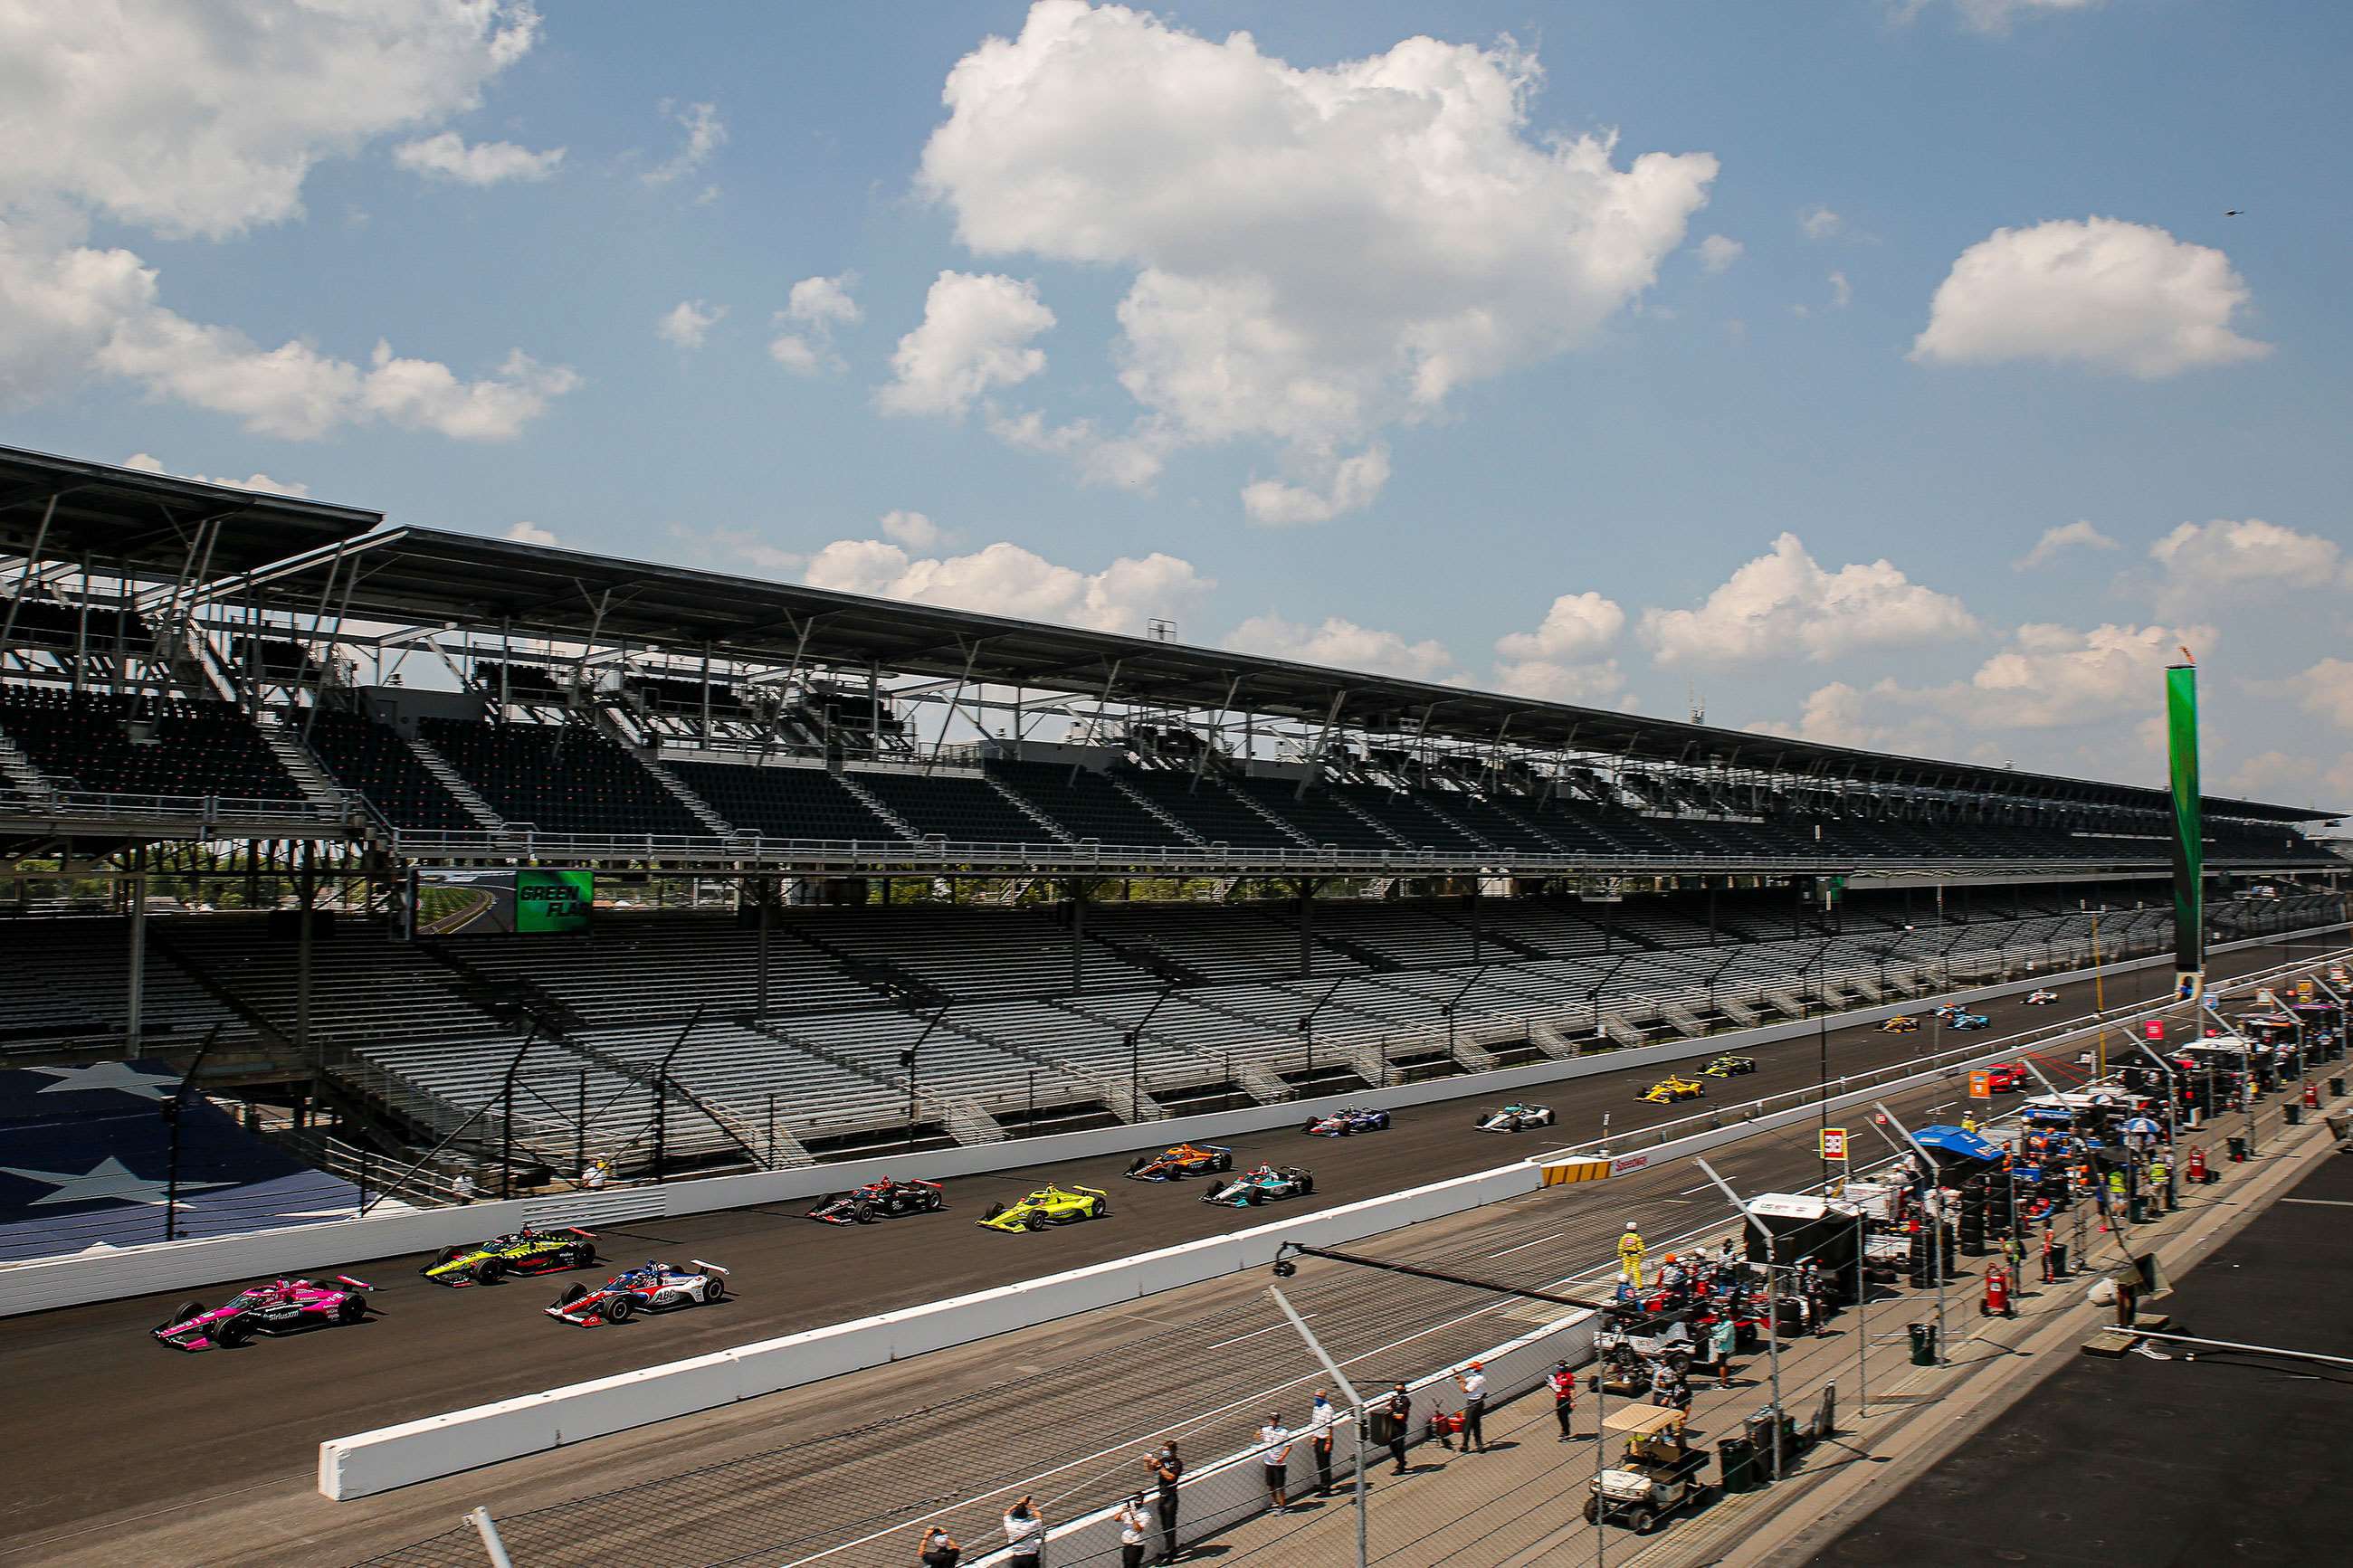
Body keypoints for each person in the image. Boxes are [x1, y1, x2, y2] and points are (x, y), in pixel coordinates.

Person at [1146, 1440, 1182, 1562]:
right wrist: (1148, 1462)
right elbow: (1152, 1469)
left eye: (1166, 1450)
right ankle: (1171, 1549)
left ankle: (1170, 1553)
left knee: (1169, 1525)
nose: (1164, 1452)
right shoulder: (1163, 1461)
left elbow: (1171, 1477)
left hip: (1171, 1497)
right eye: (1164, 1449)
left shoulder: (1177, 1463)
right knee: (1164, 1525)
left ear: (1173, 1451)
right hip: (1162, 1496)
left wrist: (1160, 1467)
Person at [1258, 1411, 1293, 1512]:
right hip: (1268, 1462)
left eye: (1273, 1419)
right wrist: (1257, 1434)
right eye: (1270, 1419)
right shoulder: (1265, 1430)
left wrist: (1282, 1457)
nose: (1271, 1421)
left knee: (1280, 1486)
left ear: (1277, 1420)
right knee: (1270, 1484)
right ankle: (1275, 1502)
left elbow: (1289, 1446)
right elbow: (1257, 1436)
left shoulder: (1283, 1432)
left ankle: (1282, 1506)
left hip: (1279, 1464)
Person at [1305, 1390, 1336, 1496]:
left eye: (1318, 1396)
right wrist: (1314, 1435)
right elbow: (1315, 1423)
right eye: (1315, 1396)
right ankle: (1322, 1482)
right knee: (1319, 1462)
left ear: (1323, 1397)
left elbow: (1330, 1427)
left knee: (1325, 1463)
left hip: (1325, 1438)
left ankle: (1326, 1486)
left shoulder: (1328, 1409)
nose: (1316, 1398)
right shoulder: (1316, 1408)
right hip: (1318, 1437)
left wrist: (1328, 1442)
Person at [1454, 1361, 1489, 1453]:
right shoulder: (1476, 1377)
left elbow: (1465, 1390)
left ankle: (1465, 1444)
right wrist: (1458, 1376)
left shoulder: (1477, 1379)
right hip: (1478, 1403)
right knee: (1476, 1423)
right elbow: (1465, 1380)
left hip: (1473, 1404)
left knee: (1468, 1425)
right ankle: (1479, 1445)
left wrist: (1459, 1382)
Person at [1002, 1497, 1045, 1568]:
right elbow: (1039, 1516)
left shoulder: (1009, 1524)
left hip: (1016, 1557)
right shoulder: (1030, 1525)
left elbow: (1006, 1513)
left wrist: (1018, 1504)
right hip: (1030, 1556)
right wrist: (1032, 1506)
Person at [1381, 1383, 1413, 1476]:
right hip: (1392, 1426)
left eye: (1399, 1390)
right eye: (1396, 1389)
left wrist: (1391, 1413)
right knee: (1392, 1446)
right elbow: (1387, 1408)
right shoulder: (1394, 1400)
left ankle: (1401, 1465)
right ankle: (1401, 1461)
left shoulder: (1405, 1400)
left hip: (1400, 1427)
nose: (1397, 1391)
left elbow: (1401, 1416)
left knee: (1399, 1447)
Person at [1114, 1495, 1150, 1568]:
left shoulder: (1145, 1515)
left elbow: (1139, 1529)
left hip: (1136, 1546)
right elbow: (1116, 1519)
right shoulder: (1129, 1511)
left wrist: (1133, 1517)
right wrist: (1123, 1511)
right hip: (1127, 1545)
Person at [1547, 1358, 1576, 1440]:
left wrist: (1573, 1401)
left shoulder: (1569, 1376)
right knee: (1559, 1415)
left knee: (1564, 1416)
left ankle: (1566, 1432)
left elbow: (1572, 1389)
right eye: (1559, 1366)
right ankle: (1564, 1430)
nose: (1561, 1368)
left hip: (1566, 1398)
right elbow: (1556, 1386)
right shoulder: (1558, 1375)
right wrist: (1551, 1386)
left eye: (1562, 1366)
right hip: (1559, 1398)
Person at [1710, 1314, 1739, 1388]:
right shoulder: (1724, 1323)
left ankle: (1723, 1383)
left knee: (1721, 1364)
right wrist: (1710, 1328)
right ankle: (1724, 1380)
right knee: (1723, 1364)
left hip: (1724, 1348)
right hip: (1722, 1347)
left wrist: (1714, 1336)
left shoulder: (1728, 1325)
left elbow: (1724, 1337)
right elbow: (1718, 1328)